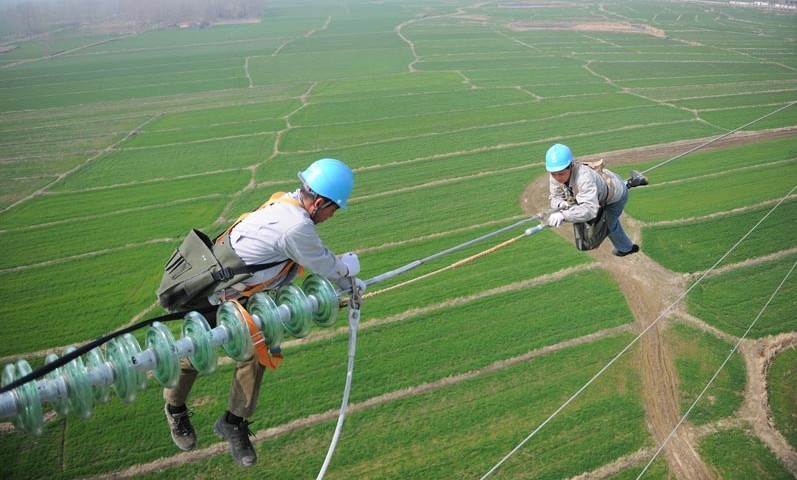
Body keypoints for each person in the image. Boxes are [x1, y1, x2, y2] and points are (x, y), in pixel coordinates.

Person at [163, 158, 365, 467]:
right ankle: (175, 408)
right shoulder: (296, 226)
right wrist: (348, 270)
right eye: (333, 209)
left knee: (257, 353)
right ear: (319, 203)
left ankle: (233, 422)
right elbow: (325, 264)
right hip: (214, 294)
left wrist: (345, 284)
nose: (332, 216)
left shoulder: (285, 202)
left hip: (241, 293)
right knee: (195, 353)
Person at [544, 143, 640, 256]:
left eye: (561, 173)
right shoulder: (556, 174)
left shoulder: (584, 177)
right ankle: (631, 182)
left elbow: (590, 210)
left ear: (570, 166)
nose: (557, 178)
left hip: (615, 196)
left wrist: (563, 215)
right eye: (554, 174)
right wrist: (560, 204)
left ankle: (626, 249)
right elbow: (555, 196)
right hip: (603, 184)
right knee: (596, 196)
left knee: (610, 224)